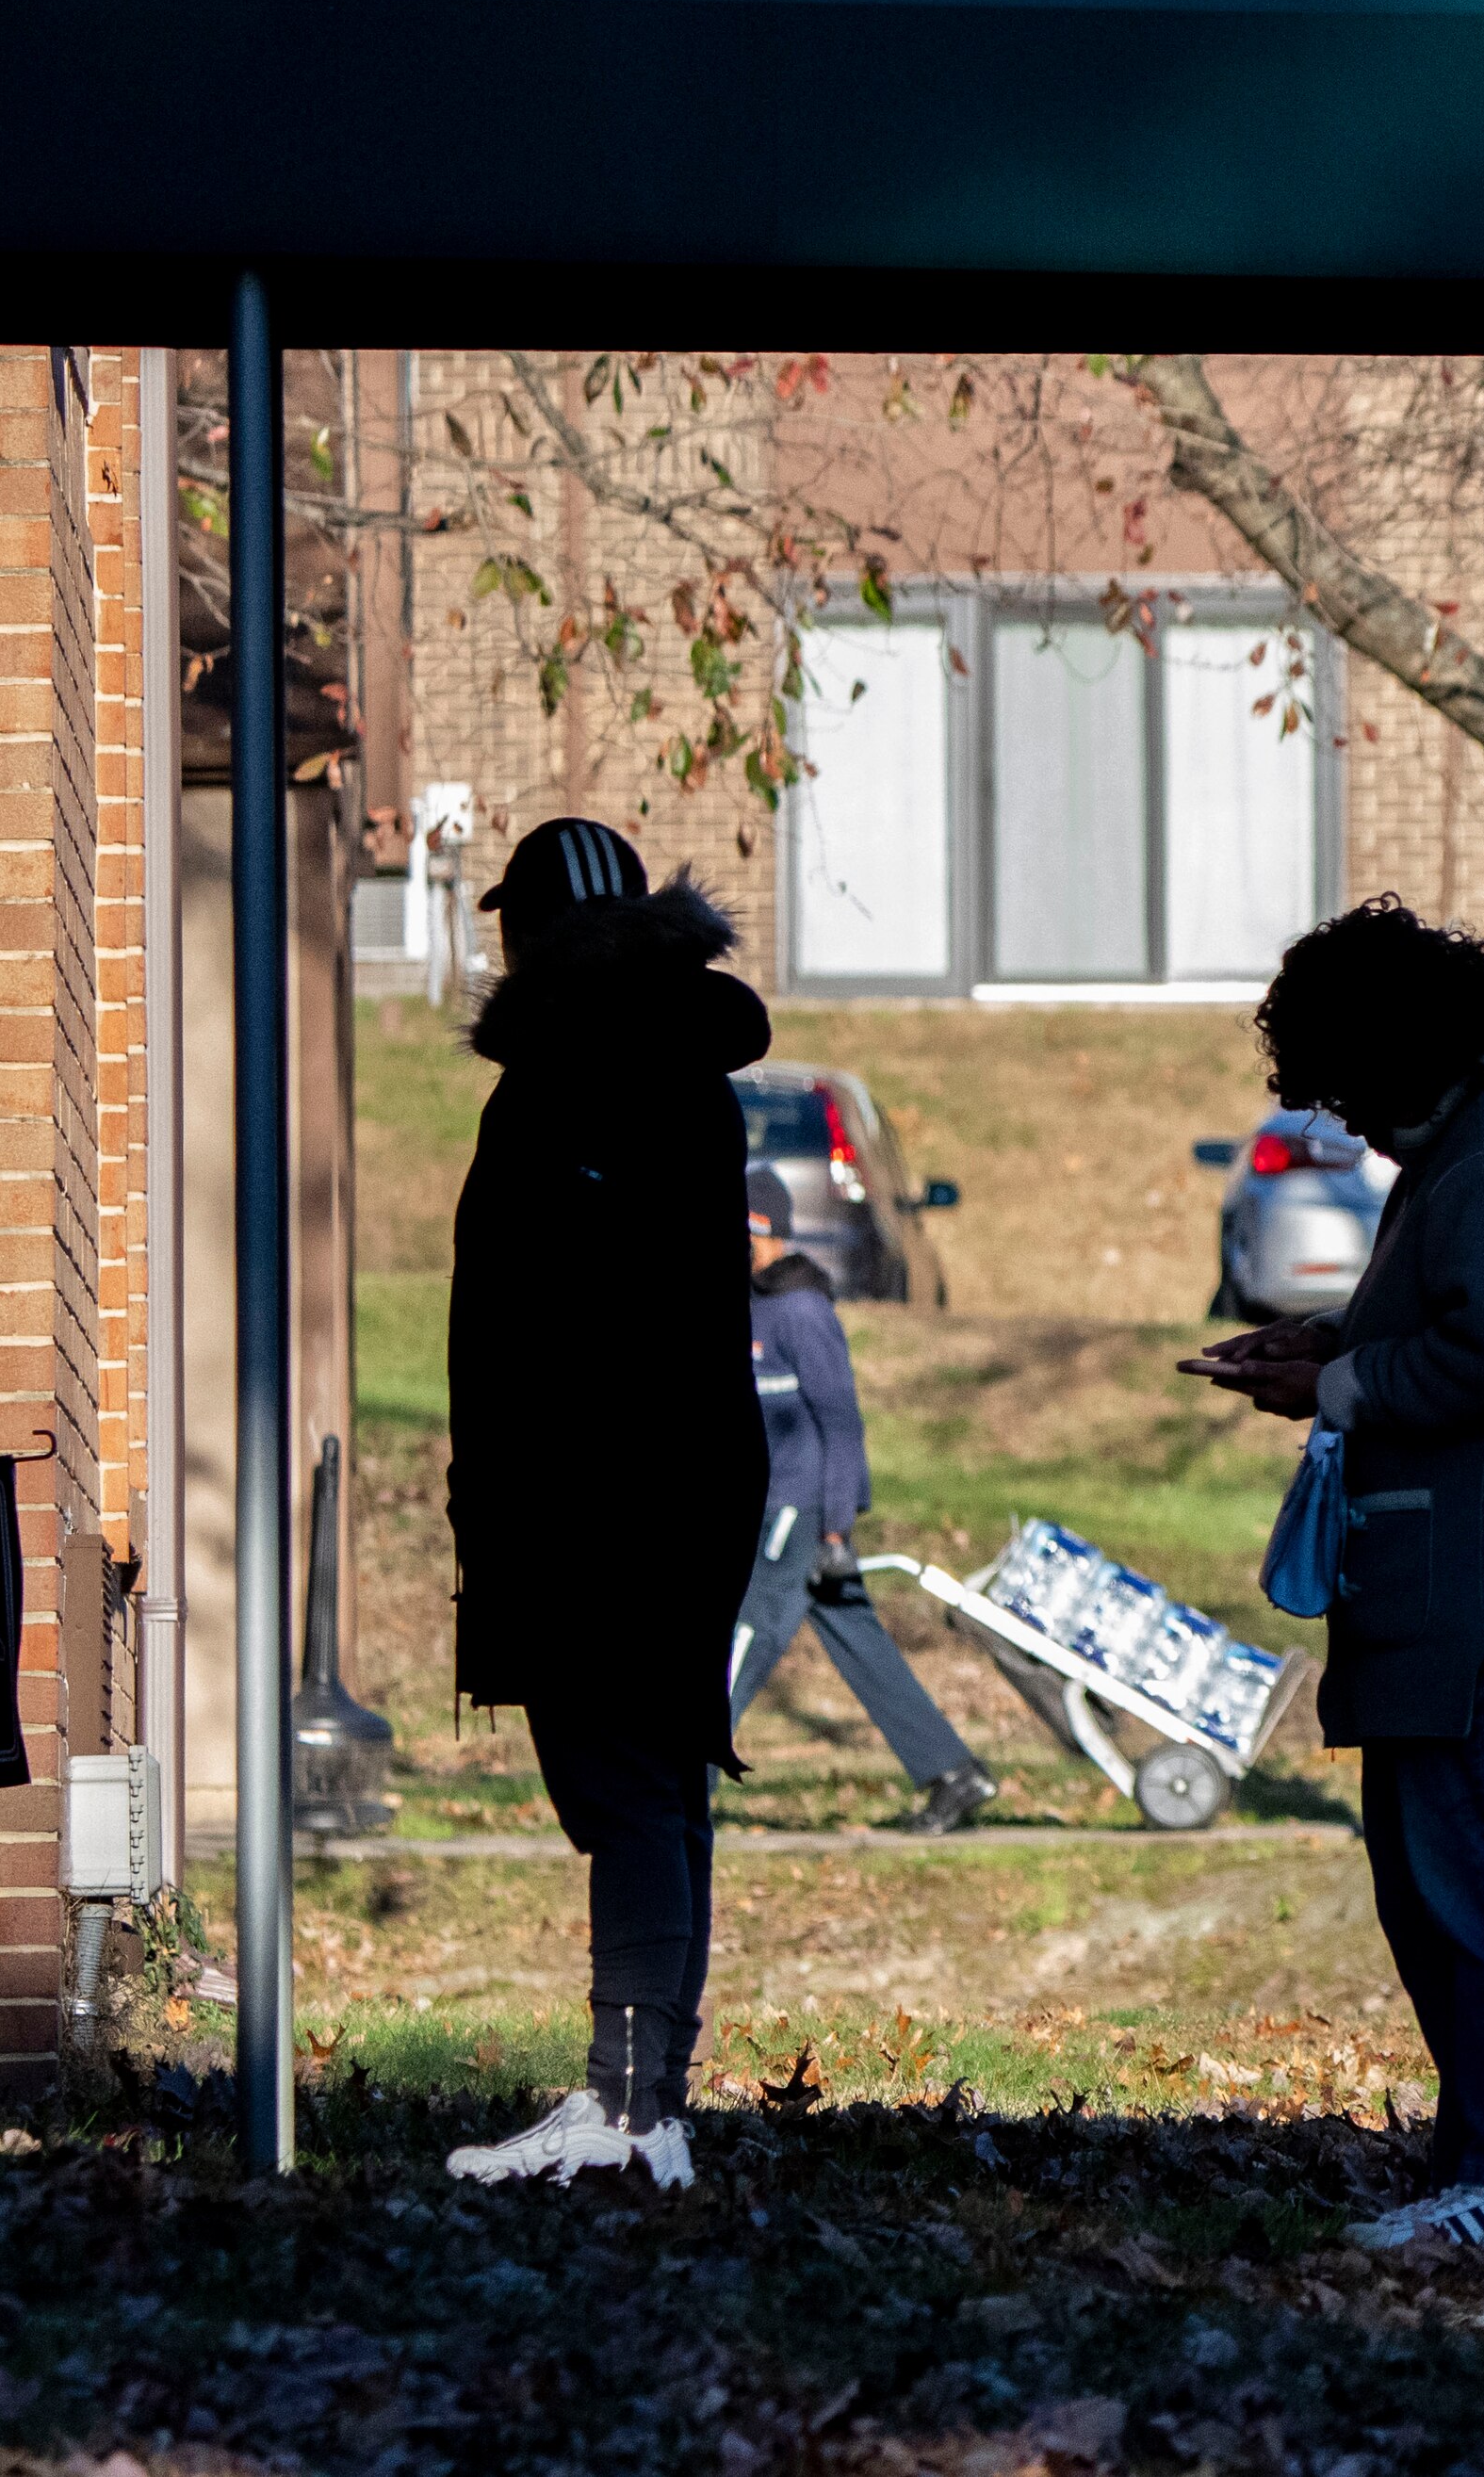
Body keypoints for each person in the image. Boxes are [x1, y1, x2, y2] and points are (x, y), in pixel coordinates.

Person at [1184, 899, 1484, 2259]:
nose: (1351, 1122)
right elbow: (1448, 1313)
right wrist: (1329, 1339)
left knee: (1483, 1887)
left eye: (1348, 1088)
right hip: (1443, 1594)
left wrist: (1336, 1383)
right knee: (1433, 1889)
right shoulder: (1480, 1142)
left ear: (1394, 1053)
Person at [439, 823, 772, 2189]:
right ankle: (648, 2106)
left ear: (536, 934)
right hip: (681, 1480)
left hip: (594, 1493)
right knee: (659, 1784)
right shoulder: (680, 1067)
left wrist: (502, 1492)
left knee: (624, 1786)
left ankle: (628, 2116)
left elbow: (546, 1318)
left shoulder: (578, 1079)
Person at [728, 1164, 997, 1832]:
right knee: (857, 1641)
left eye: (747, 1232)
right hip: (767, 1508)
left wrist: (835, 1530)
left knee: (741, 1639)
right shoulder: (747, 1305)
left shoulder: (802, 1312)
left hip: (798, 1515)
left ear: (772, 1234)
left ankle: (680, 1786)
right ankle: (954, 1773)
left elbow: (841, 1424)